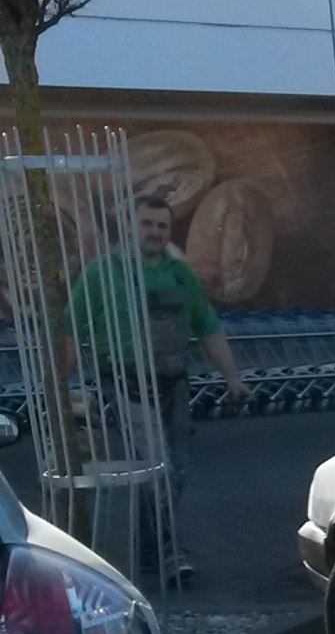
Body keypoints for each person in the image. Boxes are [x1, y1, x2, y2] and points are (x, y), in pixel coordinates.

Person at [58, 194, 250, 581]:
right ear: (129, 226)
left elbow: (208, 328)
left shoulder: (181, 276)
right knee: (157, 466)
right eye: (146, 223)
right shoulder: (101, 274)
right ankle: (170, 554)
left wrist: (233, 378)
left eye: (162, 226)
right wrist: (59, 388)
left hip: (174, 384)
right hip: (124, 385)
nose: (155, 232)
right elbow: (69, 329)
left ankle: (148, 551)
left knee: (176, 470)